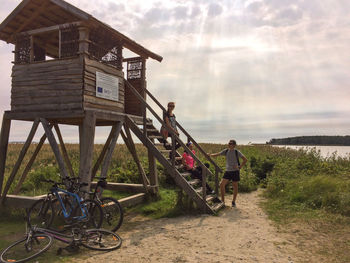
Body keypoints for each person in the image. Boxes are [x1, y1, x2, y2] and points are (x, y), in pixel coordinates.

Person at [208, 139, 247, 207]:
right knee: (221, 184)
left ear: (234, 145)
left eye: (231, 143)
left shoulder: (237, 152)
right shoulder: (226, 151)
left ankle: (233, 201)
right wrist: (210, 155)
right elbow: (217, 154)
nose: (229, 144)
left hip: (235, 171)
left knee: (235, 186)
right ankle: (223, 201)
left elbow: (245, 160)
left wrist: (239, 167)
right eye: (229, 143)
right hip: (228, 171)